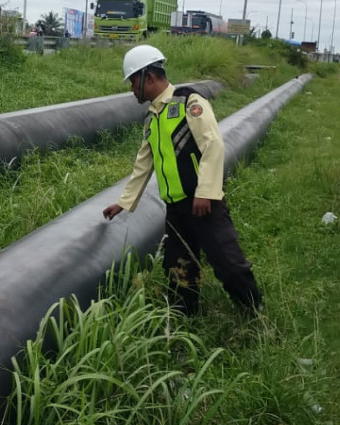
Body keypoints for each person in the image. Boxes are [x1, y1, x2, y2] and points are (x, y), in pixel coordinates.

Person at [102, 44, 263, 316]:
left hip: (204, 205)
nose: (131, 89)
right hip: (175, 209)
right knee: (178, 269)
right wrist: (123, 203)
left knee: (228, 263)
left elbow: (213, 145)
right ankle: (184, 319)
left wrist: (205, 192)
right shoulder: (152, 117)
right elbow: (143, 164)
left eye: (133, 82)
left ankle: (254, 312)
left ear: (149, 77)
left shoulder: (189, 102)